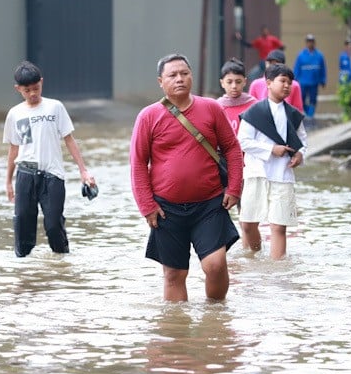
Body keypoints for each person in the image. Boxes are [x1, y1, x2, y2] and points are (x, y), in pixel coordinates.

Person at [130, 54, 243, 302]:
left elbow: (232, 148)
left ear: (192, 76)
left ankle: (216, 319)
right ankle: (177, 334)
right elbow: (138, 162)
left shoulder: (211, 108)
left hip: (210, 203)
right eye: (173, 75)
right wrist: (147, 206)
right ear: (161, 81)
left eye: (184, 73)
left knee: (215, 265)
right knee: (174, 274)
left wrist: (234, 187)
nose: (179, 79)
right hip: (165, 208)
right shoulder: (148, 116)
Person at [3, 60, 96, 258]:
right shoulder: (15, 114)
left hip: (52, 176)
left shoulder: (55, 108)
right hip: (25, 175)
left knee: (54, 225)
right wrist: (8, 181)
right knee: (22, 226)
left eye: (36, 88)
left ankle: (62, 266)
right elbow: (14, 149)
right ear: (18, 89)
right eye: (27, 90)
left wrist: (83, 171)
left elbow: (69, 140)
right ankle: (25, 275)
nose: (33, 94)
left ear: (42, 83)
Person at [237, 63, 307, 260]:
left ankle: (277, 270)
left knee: (278, 226)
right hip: (256, 173)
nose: (287, 86)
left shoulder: (293, 114)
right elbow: (243, 141)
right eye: (282, 81)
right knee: (248, 224)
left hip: (282, 174)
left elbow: (302, 140)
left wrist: (300, 154)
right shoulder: (254, 112)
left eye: (290, 82)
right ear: (268, 82)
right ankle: (256, 256)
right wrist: (271, 149)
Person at [216, 57, 257, 135]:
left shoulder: (254, 106)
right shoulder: (216, 107)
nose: (234, 86)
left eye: (238, 82)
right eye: (229, 82)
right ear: (222, 83)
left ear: (244, 82)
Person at [293, 34, 327, 118]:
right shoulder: (301, 55)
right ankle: (306, 111)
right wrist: (294, 80)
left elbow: (323, 69)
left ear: (314, 43)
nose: (310, 44)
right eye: (308, 42)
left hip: (314, 81)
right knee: (302, 98)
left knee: (313, 99)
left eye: (311, 42)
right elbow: (297, 68)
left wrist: (323, 80)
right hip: (303, 82)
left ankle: (311, 114)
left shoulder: (319, 55)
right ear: (306, 43)